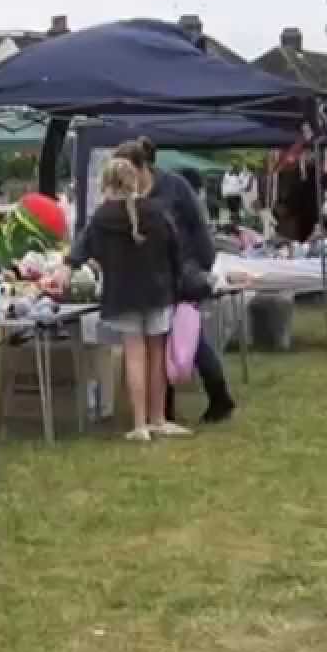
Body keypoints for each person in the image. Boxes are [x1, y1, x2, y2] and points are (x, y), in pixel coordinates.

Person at [60, 151, 190, 441]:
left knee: (134, 355)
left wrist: (67, 269)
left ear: (106, 185)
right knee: (157, 354)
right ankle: (159, 418)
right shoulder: (157, 212)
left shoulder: (101, 218)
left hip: (122, 294)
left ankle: (140, 425)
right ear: (136, 182)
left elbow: (79, 252)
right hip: (159, 291)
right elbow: (176, 252)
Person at [129, 137, 237, 424]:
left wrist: (203, 264)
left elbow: (198, 225)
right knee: (174, 337)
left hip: (184, 270)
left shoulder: (176, 187)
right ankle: (205, 400)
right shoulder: (132, 193)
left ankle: (182, 405)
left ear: (143, 166)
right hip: (154, 275)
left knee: (182, 336)